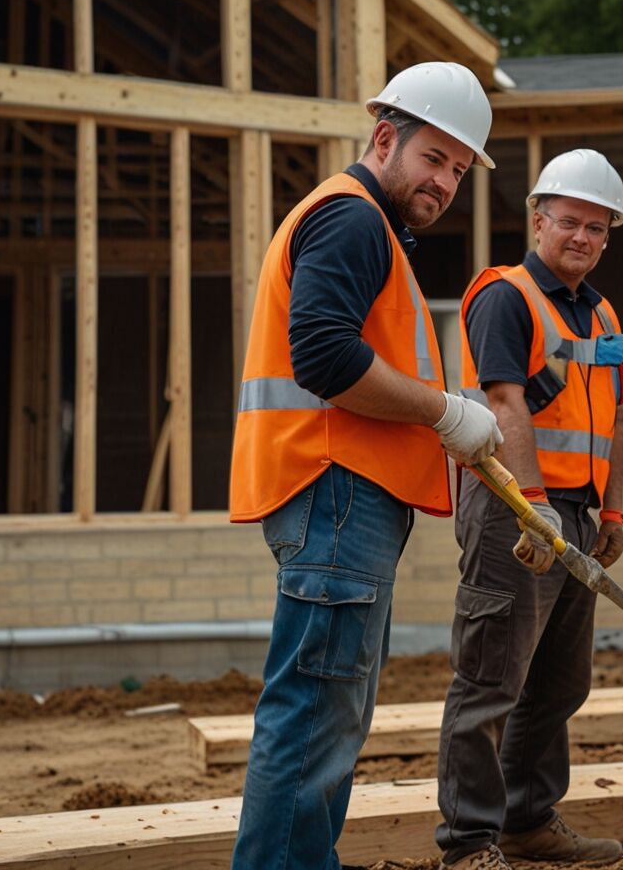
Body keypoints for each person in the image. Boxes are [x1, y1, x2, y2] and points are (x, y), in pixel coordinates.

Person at [229, 61, 503, 870]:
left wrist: (439, 415)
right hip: (335, 492)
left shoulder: (362, 226)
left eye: (459, 169)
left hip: (340, 495)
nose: (446, 181)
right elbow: (322, 355)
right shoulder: (351, 219)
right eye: (435, 158)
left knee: (329, 716)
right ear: (385, 137)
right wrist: (443, 410)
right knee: (316, 716)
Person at [436, 149, 623, 869]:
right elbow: (503, 400)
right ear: (539, 219)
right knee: (492, 680)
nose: (582, 236)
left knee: (558, 682)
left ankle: (527, 823)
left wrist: (610, 513)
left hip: (578, 515)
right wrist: (536, 509)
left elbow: (617, 417)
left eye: (597, 227)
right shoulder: (506, 295)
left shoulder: (605, 313)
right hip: (515, 513)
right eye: (569, 222)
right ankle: (468, 845)